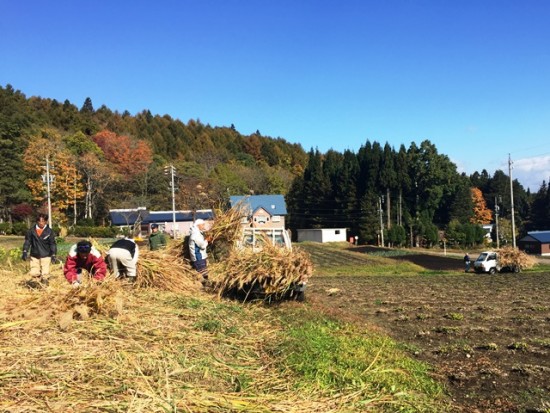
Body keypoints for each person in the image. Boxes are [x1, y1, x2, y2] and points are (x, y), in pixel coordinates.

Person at [22, 213, 57, 286]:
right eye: (40, 221)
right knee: (34, 272)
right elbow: (27, 241)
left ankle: (44, 286)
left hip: (46, 255)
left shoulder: (49, 232)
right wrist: (25, 251)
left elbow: (52, 244)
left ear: (46, 222)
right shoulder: (31, 231)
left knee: (45, 273)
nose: (41, 223)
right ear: (37, 222)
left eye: (43, 221)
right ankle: (36, 285)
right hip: (35, 255)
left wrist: (53, 254)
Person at [188, 218, 211, 284]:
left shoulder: (197, 233)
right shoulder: (196, 234)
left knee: (203, 272)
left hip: (199, 256)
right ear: (198, 225)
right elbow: (202, 245)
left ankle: (204, 285)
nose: (203, 226)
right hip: (198, 257)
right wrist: (207, 240)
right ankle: (205, 286)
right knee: (203, 273)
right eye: (202, 225)